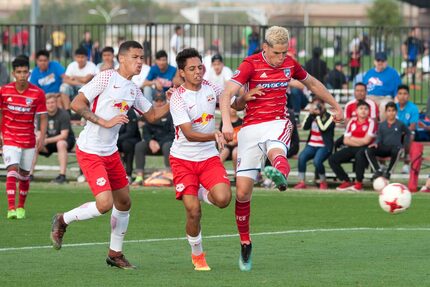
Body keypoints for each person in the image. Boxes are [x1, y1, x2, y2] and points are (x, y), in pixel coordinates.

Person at [219, 26, 343, 271]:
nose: (280, 58)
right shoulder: (250, 65)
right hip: (251, 128)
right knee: (242, 193)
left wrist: (335, 106)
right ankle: (245, 242)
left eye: (284, 53)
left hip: (278, 121)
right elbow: (227, 95)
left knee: (278, 151)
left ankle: (280, 174)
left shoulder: (289, 63)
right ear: (265, 48)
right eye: (276, 53)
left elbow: (314, 84)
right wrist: (225, 121)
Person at [50, 41, 170, 269]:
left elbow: (152, 116)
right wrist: (104, 121)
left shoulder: (134, 89)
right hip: (90, 150)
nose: (140, 62)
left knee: (124, 202)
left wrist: (173, 100)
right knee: (104, 203)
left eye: (142, 58)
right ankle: (62, 219)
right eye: (135, 57)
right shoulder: (106, 78)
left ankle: (115, 254)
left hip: (110, 152)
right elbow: (76, 103)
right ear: (122, 59)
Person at [170, 48, 241, 271]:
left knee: (223, 199)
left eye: (200, 67)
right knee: (194, 211)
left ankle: (200, 191)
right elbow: (189, 134)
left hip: (208, 157)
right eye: (192, 69)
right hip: (183, 159)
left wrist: (247, 97)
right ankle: (197, 254)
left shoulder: (211, 87)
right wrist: (215, 134)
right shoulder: (178, 98)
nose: (198, 72)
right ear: (182, 72)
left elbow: (231, 101)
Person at [0, 56, 47, 219]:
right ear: (13, 73)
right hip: (10, 138)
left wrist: (42, 136)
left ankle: (21, 207)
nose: (22, 75)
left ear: (29, 73)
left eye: (25, 72)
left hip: (28, 140)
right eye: (18, 72)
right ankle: (11, 208)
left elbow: (43, 117)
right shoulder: (3, 91)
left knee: (25, 175)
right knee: (12, 170)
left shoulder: (38, 93)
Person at [329, 100, 377, 192]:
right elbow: (345, 140)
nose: (363, 111)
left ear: (369, 111)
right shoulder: (352, 121)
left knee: (360, 155)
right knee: (332, 159)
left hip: (365, 149)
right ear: (356, 110)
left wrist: (353, 139)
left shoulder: (371, 122)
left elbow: (367, 141)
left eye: (366, 109)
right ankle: (346, 181)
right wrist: (360, 140)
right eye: (361, 108)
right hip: (351, 148)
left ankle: (359, 183)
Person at [31, 93, 75, 184]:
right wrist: (40, 138)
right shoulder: (41, 115)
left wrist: (46, 140)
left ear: (56, 103)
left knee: (61, 143)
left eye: (52, 102)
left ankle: (62, 175)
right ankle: (29, 175)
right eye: (48, 103)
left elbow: (64, 135)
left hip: (66, 141)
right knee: (34, 143)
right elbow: (39, 132)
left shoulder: (63, 114)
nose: (50, 105)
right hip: (47, 142)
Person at [132, 93, 174, 186]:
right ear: (154, 102)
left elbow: (172, 134)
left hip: (166, 144)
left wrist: (159, 143)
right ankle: (139, 176)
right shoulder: (150, 113)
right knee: (139, 146)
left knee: (168, 146)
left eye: (161, 101)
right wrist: (150, 141)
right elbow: (146, 131)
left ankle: (169, 174)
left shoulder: (171, 114)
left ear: (165, 102)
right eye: (157, 101)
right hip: (152, 144)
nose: (159, 103)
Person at [294, 98, 335, 190]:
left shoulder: (330, 116)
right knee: (302, 157)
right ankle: (301, 182)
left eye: (318, 105)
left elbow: (323, 128)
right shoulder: (312, 115)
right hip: (312, 144)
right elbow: (304, 127)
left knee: (317, 161)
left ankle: (323, 181)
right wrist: (310, 114)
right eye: (314, 105)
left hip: (324, 146)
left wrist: (318, 116)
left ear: (323, 105)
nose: (316, 107)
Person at [365, 102, 410, 180]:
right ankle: (378, 170)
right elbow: (379, 137)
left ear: (396, 112)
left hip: (395, 148)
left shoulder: (400, 124)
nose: (391, 113)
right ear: (386, 112)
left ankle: (389, 171)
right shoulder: (381, 125)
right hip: (384, 147)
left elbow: (408, 133)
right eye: (389, 111)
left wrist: (403, 145)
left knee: (397, 151)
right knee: (368, 150)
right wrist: (375, 143)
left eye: (393, 110)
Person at [363, 51, 401, 121]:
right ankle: (366, 127)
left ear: (386, 62)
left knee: (384, 106)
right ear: (374, 62)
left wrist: (397, 103)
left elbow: (398, 91)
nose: (380, 62)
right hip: (370, 96)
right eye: (378, 60)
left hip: (385, 97)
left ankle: (383, 128)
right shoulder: (369, 73)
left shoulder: (393, 73)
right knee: (365, 105)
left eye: (382, 61)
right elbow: (363, 88)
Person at [395, 84, 419, 174]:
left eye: (405, 94)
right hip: (395, 132)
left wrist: (401, 131)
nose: (402, 96)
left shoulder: (413, 108)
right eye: (400, 93)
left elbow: (412, 126)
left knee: (409, 136)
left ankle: (406, 163)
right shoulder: (393, 107)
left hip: (407, 132)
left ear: (408, 96)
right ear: (397, 95)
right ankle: (383, 165)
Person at [117, 109, 141, 182]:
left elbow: (131, 132)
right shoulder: (109, 110)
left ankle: (128, 173)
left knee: (127, 145)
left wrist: (115, 139)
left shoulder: (129, 112)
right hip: (117, 139)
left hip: (131, 139)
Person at [219, 108, 243, 176]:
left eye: (235, 108)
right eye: (231, 108)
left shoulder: (241, 121)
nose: (233, 110)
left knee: (235, 153)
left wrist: (235, 142)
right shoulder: (225, 122)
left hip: (237, 145)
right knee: (223, 153)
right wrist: (227, 143)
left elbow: (242, 137)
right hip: (227, 145)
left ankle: (236, 176)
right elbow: (221, 136)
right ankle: (218, 175)